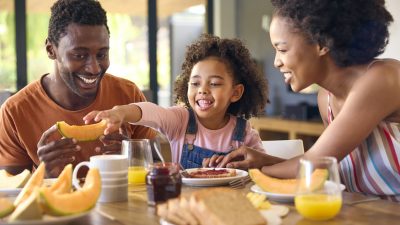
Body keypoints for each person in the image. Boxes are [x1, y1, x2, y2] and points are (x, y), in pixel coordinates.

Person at [217, 0, 400, 201]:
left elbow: (314, 163)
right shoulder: (326, 99)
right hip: (363, 215)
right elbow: (325, 168)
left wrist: (261, 168)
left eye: (282, 49)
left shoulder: (384, 78)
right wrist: (264, 161)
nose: (277, 62)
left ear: (321, 43)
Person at [0, 0, 156, 177]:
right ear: (51, 50)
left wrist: (132, 156)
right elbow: (8, 192)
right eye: (79, 55)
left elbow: (156, 169)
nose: (94, 68)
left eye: (102, 54)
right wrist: (44, 175)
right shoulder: (15, 111)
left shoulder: (129, 95)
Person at [83, 34, 269, 169]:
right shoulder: (181, 120)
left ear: (235, 93)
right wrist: (120, 112)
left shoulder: (243, 133)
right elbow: (152, 112)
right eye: (195, 83)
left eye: (214, 83)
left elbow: (264, 168)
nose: (202, 90)